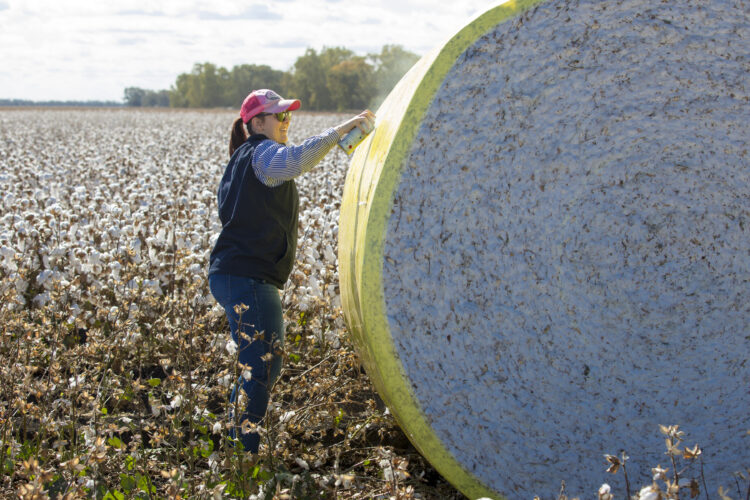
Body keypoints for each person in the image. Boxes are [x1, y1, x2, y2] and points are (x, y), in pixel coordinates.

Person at [208, 88, 375, 456]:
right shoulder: (263, 153)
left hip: (234, 275)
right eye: (279, 116)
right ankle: (243, 454)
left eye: (288, 116)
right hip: (249, 278)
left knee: (259, 364)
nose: (286, 122)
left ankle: (233, 443)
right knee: (264, 364)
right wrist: (338, 132)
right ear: (257, 123)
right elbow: (296, 160)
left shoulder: (240, 159)